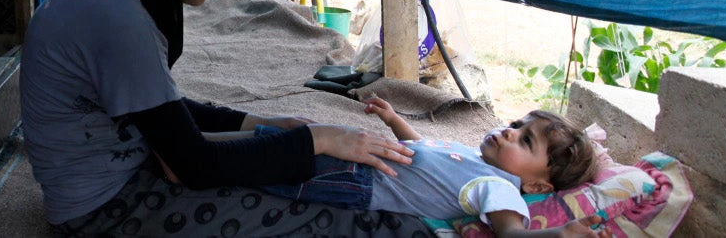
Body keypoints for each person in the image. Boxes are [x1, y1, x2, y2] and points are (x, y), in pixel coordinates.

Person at [20, 0, 423, 236]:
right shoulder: (119, 21)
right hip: (105, 209)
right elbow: (192, 166)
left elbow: (162, 109)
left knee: (283, 163)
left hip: (128, 165)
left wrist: (260, 121)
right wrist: (316, 139)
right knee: (337, 221)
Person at [259, 98, 610, 238]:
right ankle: (213, 140)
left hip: (358, 179)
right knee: (283, 137)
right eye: (518, 124)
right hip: (360, 159)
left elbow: (511, 234)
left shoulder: (500, 187)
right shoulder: (476, 159)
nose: (509, 131)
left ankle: (213, 154)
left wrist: (557, 235)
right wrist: (395, 120)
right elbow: (422, 151)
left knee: (268, 162)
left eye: (526, 141)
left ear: (536, 187)